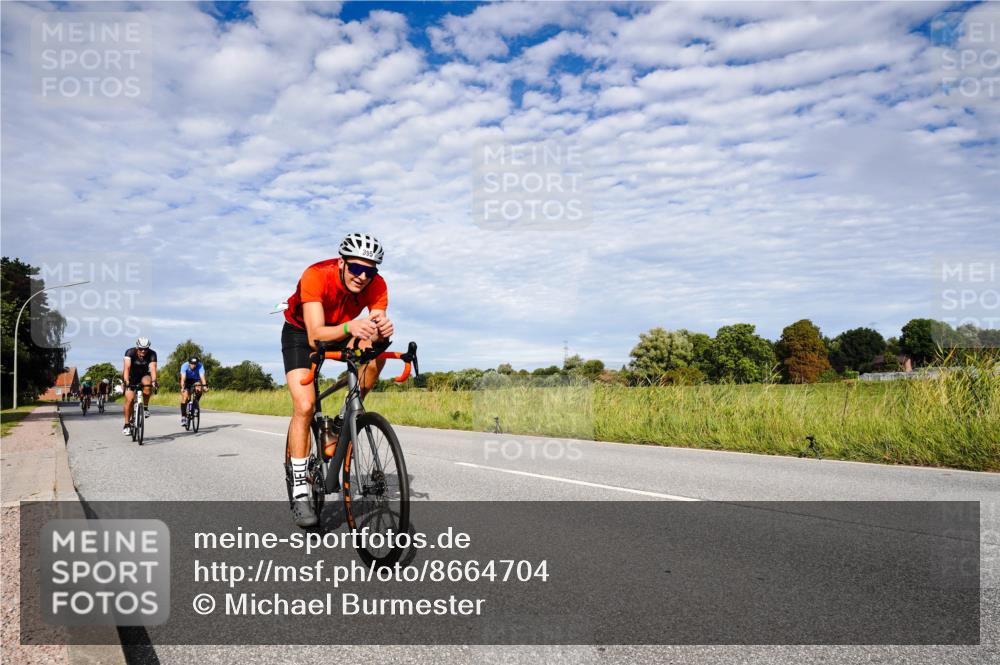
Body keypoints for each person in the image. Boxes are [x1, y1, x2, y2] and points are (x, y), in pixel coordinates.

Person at [281, 233, 394, 528]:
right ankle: (301, 487)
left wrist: (382, 331)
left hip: (345, 329)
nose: (362, 277)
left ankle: (346, 422)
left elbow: (372, 333)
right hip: (301, 333)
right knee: (305, 406)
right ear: (342, 262)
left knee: (375, 358)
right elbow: (315, 333)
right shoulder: (316, 275)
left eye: (370, 271)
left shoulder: (377, 286)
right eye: (356, 268)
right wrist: (351, 326)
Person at [122, 337, 158, 435]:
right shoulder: (130, 352)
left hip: (144, 375)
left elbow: (153, 368)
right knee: (129, 400)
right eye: (141, 349)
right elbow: (127, 368)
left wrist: (154, 380)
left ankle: (145, 408)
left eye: (145, 349)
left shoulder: (152, 353)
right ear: (137, 347)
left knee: (148, 384)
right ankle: (126, 424)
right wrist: (126, 381)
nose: (143, 351)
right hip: (131, 376)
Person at [180, 357, 208, 426]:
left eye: (195, 364)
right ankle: (183, 417)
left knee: (199, 388)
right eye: (192, 364)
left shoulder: (200, 365)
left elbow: (202, 377)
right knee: (185, 398)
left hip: (196, 380)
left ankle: (195, 404)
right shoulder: (184, 366)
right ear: (189, 363)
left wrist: (204, 386)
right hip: (187, 380)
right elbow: (183, 378)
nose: (194, 365)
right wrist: (182, 387)